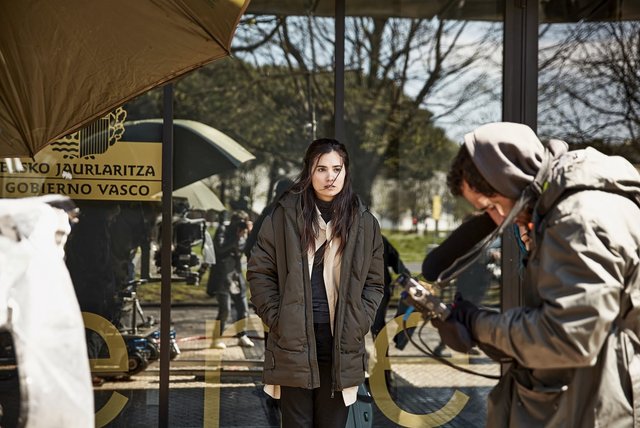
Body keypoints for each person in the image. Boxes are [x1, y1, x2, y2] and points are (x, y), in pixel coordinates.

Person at [434, 122, 640, 427]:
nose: (498, 219)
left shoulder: (579, 218)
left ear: (509, 179)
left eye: (491, 205)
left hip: (598, 405)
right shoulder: (563, 209)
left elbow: (567, 336)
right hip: (587, 397)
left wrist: (478, 324)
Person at [247, 138, 384, 428]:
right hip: (294, 339)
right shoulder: (284, 216)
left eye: (337, 168)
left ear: (346, 172)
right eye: (321, 168)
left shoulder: (364, 222)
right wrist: (278, 317)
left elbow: (375, 282)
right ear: (309, 171)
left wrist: (359, 319)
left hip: (341, 341)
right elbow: (260, 272)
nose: (330, 177)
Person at [207, 210, 255, 349]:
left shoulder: (245, 234)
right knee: (225, 310)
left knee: (243, 308)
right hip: (222, 275)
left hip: (236, 274)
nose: (239, 225)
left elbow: (253, 250)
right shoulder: (223, 230)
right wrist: (236, 237)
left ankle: (242, 336)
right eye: (238, 222)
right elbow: (220, 249)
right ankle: (216, 339)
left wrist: (251, 234)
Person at [371, 235, 410, 338]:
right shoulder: (379, 238)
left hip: (378, 288)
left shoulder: (379, 239)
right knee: (375, 323)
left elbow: (396, 262)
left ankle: (381, 352)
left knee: (376, 323)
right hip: (376, 288)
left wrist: (407, 277)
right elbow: (396, 262)